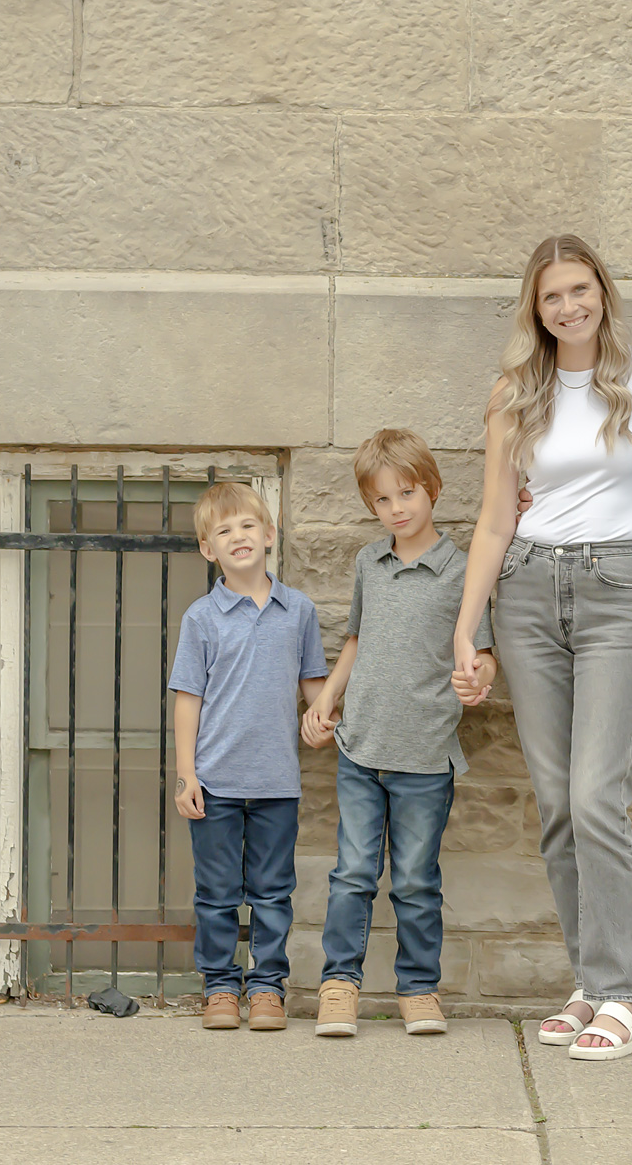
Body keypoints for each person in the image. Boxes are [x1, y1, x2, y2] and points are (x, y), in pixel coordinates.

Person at [453, 235, 632, 1061]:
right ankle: (590, 982)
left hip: (620, 592)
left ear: (603, 293)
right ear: (535, 308)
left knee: (595, 795)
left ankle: (623, 996)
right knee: (555, 803)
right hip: (528, 594)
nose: (569, 306)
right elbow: (493, 518)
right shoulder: (515, 393)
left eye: (580, 290)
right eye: (552, 296)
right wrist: (468, 626)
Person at [300, 429, 496, 1040]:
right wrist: (326, 700)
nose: (397, 509)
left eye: (407, 494)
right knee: (353, 874)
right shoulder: (369, 562)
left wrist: (478, 678)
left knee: (415, 879)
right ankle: (340, 986)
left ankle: (418, 989)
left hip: (425, 755)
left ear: (432, 488)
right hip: (362, 748)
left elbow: (482, 652)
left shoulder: (463, 569)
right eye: (382, 501)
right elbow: (356, 639)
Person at [170, 481, 329, 1031]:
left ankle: (266, 988)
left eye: (247, 526)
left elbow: (314, 684)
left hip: (276, 783)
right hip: (215, 781)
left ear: (268, 534)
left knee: (272, 892)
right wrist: (186, 774)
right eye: (223, 530)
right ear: (208, 549)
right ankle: (219, 988)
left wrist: (324, 717)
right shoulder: (202, 618)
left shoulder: (298, 610)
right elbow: (187, 700)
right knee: (215, 893)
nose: (238, 537)